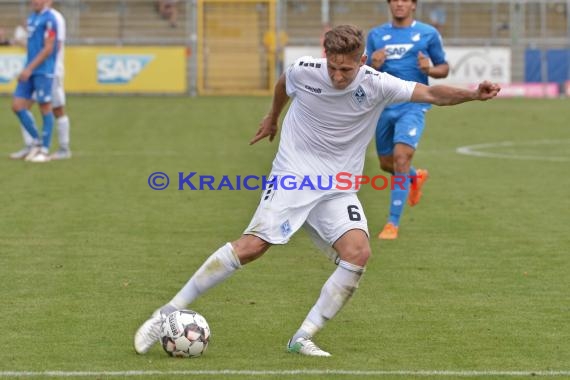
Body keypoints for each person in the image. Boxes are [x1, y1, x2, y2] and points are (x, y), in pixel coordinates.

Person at [133, 24, 499, 357]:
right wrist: (272, 116)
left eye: (347, 69)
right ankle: (164, 314)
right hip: (294, 174)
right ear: (326, 57)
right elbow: (283, 85)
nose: (339, 76)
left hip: (338, 187)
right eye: (334, 67)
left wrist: (473, 94)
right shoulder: (304, 71)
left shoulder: (378, 83)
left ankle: (303, 336)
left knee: (358, 253)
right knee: (253, 246)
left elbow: (434, 94)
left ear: (362, 61)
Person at [366, 0, 450, 239]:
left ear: (413, 5)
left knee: (401, 158)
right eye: (394, 0)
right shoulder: (376, 35)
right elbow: (366, 72)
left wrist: (429, 70)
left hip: (413, 105)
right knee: (386, 163)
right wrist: (374, 65)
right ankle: (415, 176)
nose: (399, 4)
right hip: (384, 106)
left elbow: (443, 68)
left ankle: (392, 223)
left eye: (405, 0)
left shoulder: (427, 33)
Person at [10, 0, 71, 161]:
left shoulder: (53, 18)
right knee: (18, 106)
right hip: (31, 68)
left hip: (47, 70)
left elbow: (51, 47)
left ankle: (51, 149)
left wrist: (30, 68)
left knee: (53, 108)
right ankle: (34, 144)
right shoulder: (32, 18)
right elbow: (33, 44)